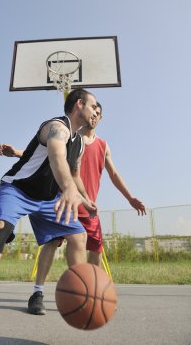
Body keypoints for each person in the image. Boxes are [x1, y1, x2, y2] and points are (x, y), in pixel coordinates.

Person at [0, 89, 98, 339]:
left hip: (49, 200)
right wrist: (70, 189)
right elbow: (55, 156)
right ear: (79, 104)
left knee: (78, 237)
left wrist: (84, 198)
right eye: (93, 106)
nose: (96, 111)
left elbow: (73, 173)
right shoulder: (57, 127)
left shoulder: (80, 142)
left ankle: (78, 295)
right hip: (17, 190)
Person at [24, 101, 146, 315]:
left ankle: (90, 290)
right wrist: (16, 152)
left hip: (89, 207)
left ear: (100, 118)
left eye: (99, 113)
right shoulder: (69, 136)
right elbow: (45, 154)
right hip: (66, 201)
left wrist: (130, 198)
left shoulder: (103, 145)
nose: (96, 115)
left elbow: (114, 175)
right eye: (94, 111)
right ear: (85, 112)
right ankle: (38, 292)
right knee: (52, 243)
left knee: (96, 249)